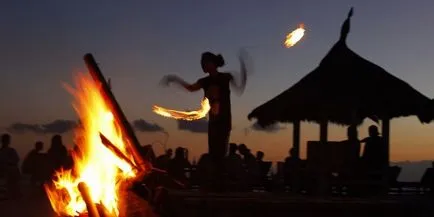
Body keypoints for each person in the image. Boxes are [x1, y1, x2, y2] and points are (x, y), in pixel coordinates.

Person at [161, 51, 248, 190]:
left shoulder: (225, 77)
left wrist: (244, 72)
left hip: (224, 120)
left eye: (204, 63)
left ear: (211, 64)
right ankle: (215, 182)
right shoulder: (205, 81)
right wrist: (175, 79)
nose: (202, 65)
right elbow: (190, 88)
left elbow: (239, 88)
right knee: (213, 152)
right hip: (213, 121)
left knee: (220, 152)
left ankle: (220, 182)